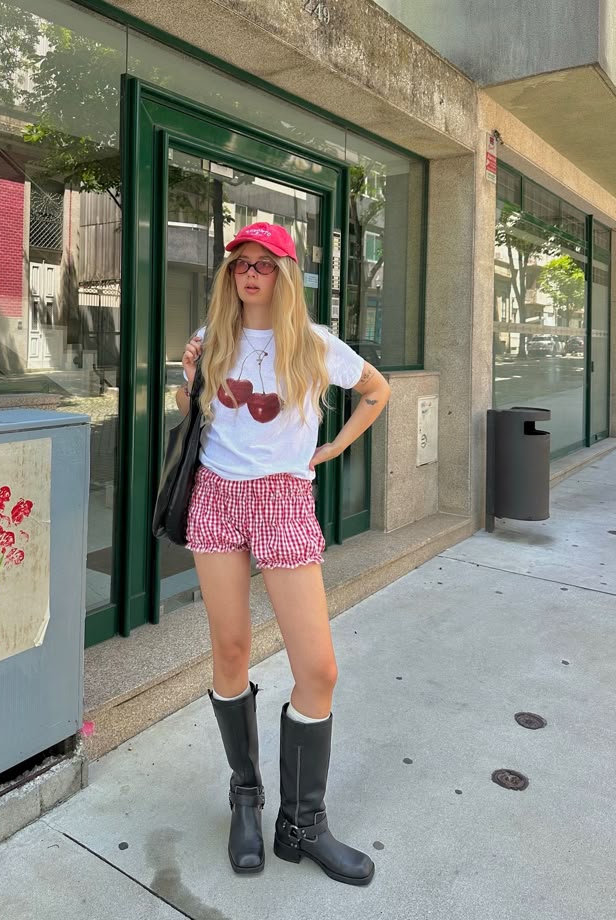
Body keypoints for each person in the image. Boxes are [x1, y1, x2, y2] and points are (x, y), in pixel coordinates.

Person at [177, 222, 391, 886]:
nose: (249, 273)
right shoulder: (214, 341)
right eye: (240, 263)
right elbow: (194, 414)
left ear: (285, 275)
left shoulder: (316, 345)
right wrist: (188, 377)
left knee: (318, 669)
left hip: (284, 502)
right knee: (231, 650)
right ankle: (247, 797)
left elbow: (378, 392)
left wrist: (332, 448)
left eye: (264, 264)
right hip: (216, 496)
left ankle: (303, 824)